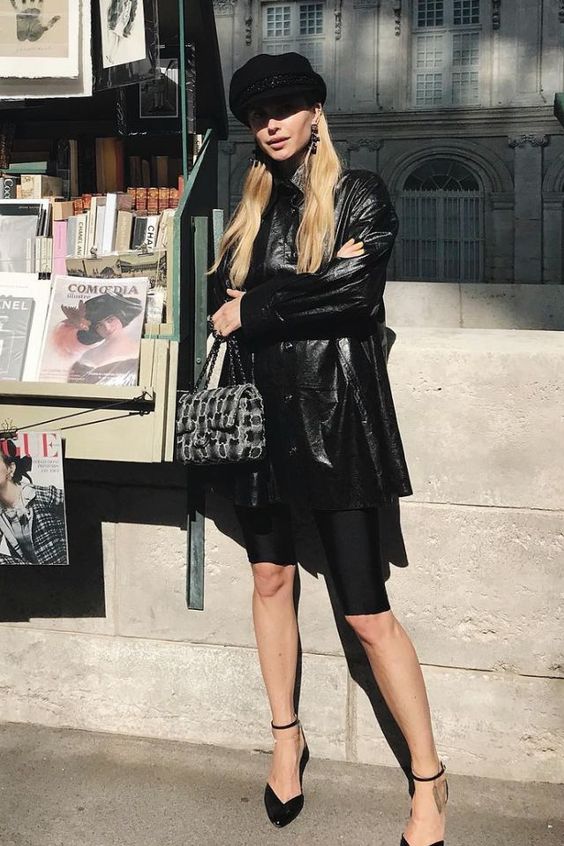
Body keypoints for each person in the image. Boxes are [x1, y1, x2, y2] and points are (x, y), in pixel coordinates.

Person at [207, 53, 448, 845]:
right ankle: (287, 740)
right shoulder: (247, 209)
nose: (271, 122)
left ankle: (429, 779)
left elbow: (356, 292)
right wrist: (296, 291)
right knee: (270, 578)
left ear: (315, 113)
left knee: (367, 614)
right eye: (258, 113)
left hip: (336, 421)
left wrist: (260, 304)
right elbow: (218, 298)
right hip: (257, 424)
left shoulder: (359, 193)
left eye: (285, 107)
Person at [0, 440, 66, 565]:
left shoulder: (44, 496)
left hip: (63, 571)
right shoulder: (1, 515)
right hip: (31, 576)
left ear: (11, 468)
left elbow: (82, 506)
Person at [68, 292, 143, 385]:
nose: (107, 328)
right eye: (99, 325)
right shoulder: (87, 357)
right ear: (95, 330)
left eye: (110, 320)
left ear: (121, 317)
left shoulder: (140, 350)